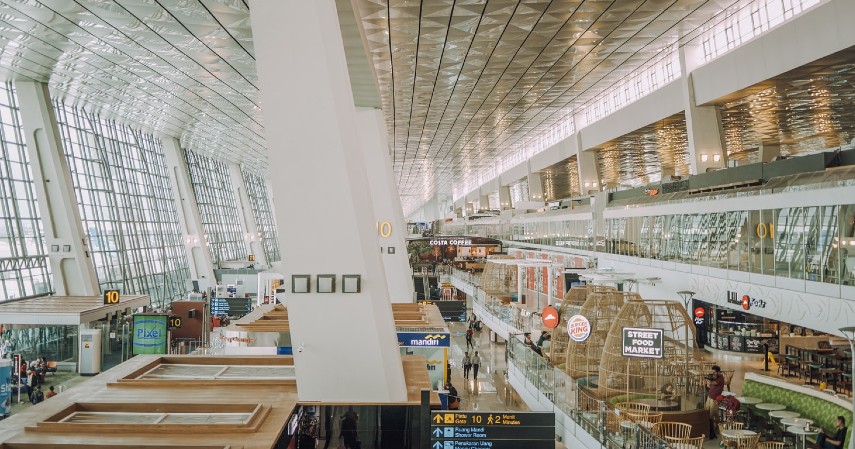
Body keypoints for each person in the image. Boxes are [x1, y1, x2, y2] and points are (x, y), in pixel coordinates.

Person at [705, 365, 724, 439]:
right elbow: (709, 385)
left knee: (712, 414)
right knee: (707, 411)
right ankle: (714, 428)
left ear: (718, 372)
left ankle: (717, 429)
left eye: (714, 372)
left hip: (715, 399)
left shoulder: (721, 377)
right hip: (710, 397)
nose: (713, 373)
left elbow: (713, 383)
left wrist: (710, 379)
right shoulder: (714, 377)